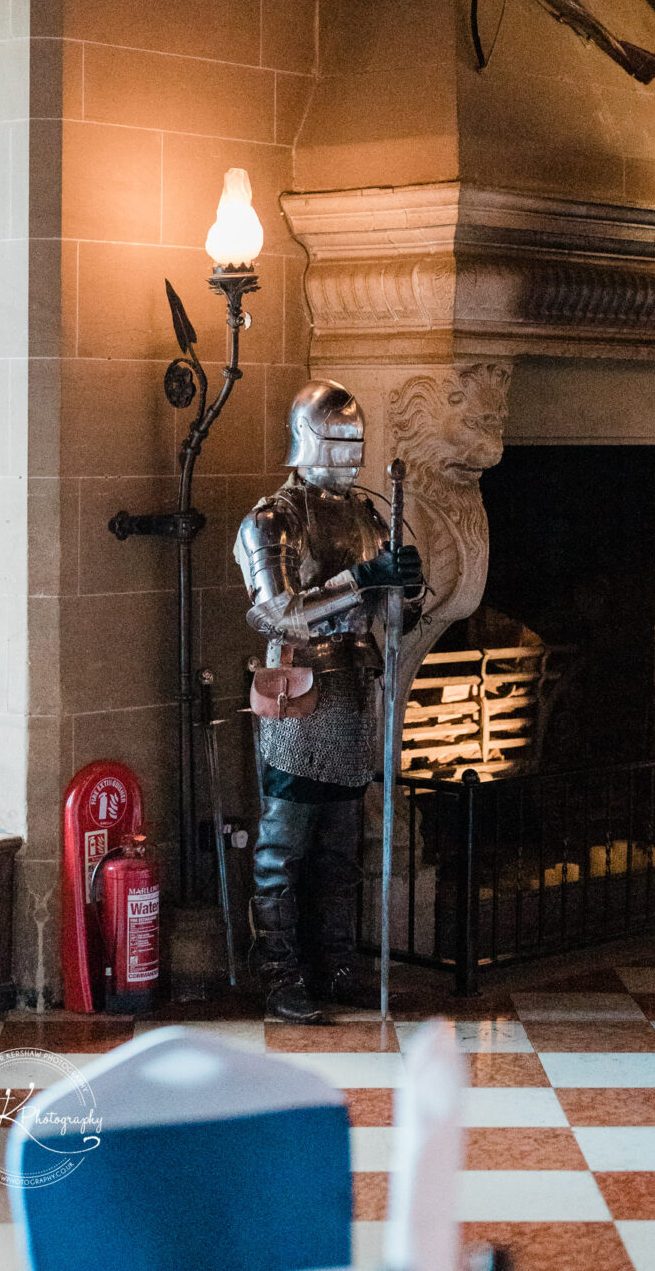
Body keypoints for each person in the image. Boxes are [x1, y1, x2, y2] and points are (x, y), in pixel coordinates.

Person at [235, 380, 424, 1022]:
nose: (346, 455)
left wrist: (408, 589)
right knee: (282, 848)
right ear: (305, 438)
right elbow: (276, 612)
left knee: (343, 848)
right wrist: (357, 580)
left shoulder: (371, 516)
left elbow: (389, 620)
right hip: (298, 690)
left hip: (352, 694)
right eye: (335, 440)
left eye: (354, 443)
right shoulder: (273, 518)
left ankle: (337, 966)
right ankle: (281, 974)